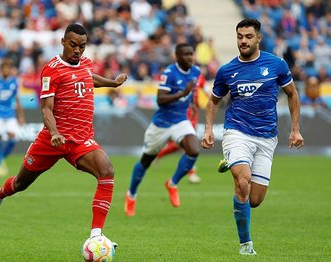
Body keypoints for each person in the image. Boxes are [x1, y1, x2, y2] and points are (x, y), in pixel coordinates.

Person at [0, 24, 127, 245]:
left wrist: (112, 83)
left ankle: (96, 236)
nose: (77, 50)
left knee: (107, 171)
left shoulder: (86, 64)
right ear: (62, 42)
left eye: (82, 46)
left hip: (80, 140)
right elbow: (46, 108)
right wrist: (54, 132)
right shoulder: (52, 70)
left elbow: (89, 78)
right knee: (21, 183)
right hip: (52, 140)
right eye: (73, 45)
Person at [201, 19, 304, 255]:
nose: (243, 41)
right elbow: (213, 101)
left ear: (258, 38)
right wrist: (208, 129)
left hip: (267, 137)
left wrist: (295, 129)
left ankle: (233, 162)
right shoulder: (226, 70)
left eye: (248, 36)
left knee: (254, 199)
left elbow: (292, 94)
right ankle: (245, 244)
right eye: (240, 36)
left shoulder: (276, 65)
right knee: (242, 181)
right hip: (237, 131)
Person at [124, 43, 201, 216]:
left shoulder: (195, 71)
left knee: (194, 150)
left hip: (180, 120)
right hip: (161, 124)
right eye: (187, 54)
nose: (191, 57)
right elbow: (160, 100)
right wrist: (182, 94)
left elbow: (192, 91)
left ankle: (172, 183)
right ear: (178, 57)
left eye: (192, 54)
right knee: (145, 162)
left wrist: (193, 104)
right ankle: (131, 195)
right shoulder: (169, 73)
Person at [155, 73, 207, 184]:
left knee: (183, 144)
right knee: (188, 142)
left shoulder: (199, 76)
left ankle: (159, 154)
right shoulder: (180, 75)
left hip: (195, 112)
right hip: (185, 111)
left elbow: (205, 90)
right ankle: (191, 173)